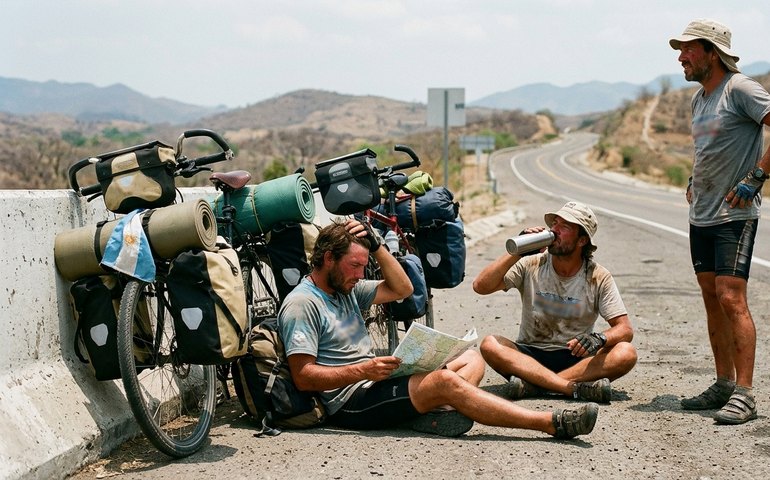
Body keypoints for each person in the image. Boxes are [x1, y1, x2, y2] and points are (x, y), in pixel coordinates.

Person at [278, 218, 599, 439]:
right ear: (329, 259)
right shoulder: (302, 303)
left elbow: (402, 289)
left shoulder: (346, 288)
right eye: (355, 266)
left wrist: (377, 247)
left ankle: (432, 409)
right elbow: (304, 377)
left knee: (473, 358)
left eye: (364, 266)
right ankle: (550, 423)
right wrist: (364, 369)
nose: (361, 275)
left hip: (373, 380)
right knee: (445, 381)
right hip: (350, 402)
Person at [669, 18, 770, 424]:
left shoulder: (741, 88)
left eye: (689, 49)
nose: (681, 57)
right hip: (702, 214)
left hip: (734, 213)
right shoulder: (699, 100)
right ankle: (723, 383)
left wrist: (758, 175)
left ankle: (745, 394)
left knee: (731, 297)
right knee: (712, 298)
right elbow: (711, 145)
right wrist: (695, 179)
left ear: (712, 52)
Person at [473, 201, 637, 404]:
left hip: (576, 359)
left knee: (626, 353)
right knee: (490, 344)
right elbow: (481, 286)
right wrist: (517, 251)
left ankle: (536, 386)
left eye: (564, 227)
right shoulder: (531, 263)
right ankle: (569, 388)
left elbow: (625, 329)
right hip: (529, 357)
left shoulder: (597, 276)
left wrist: (598, 338)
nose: (554, 230)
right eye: (555, 223)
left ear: (582, 241)